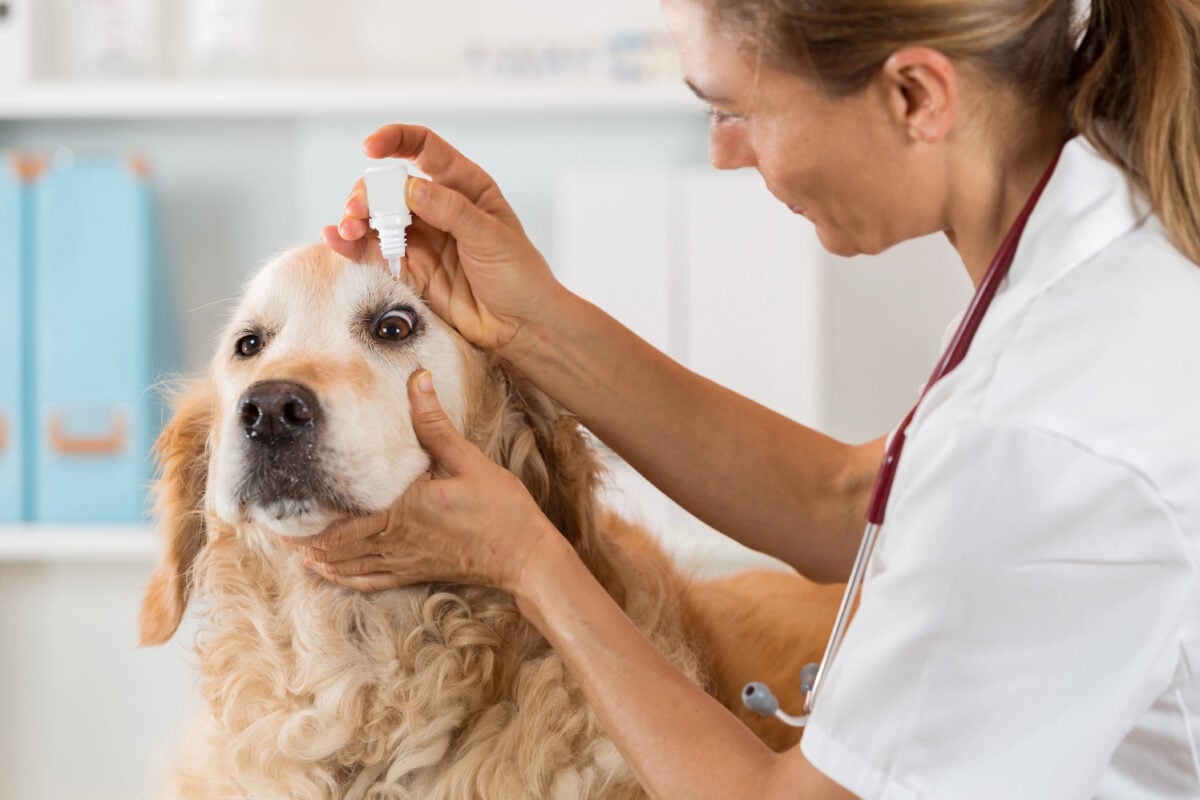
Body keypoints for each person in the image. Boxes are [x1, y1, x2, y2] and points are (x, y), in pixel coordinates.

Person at [297, 0, 1200, 796]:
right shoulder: (1108, 233)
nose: (725, 155)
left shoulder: (1044, 432)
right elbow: (849, 502)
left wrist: (530, 562)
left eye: (736, 110)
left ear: (916, 96)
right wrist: (533, 322)